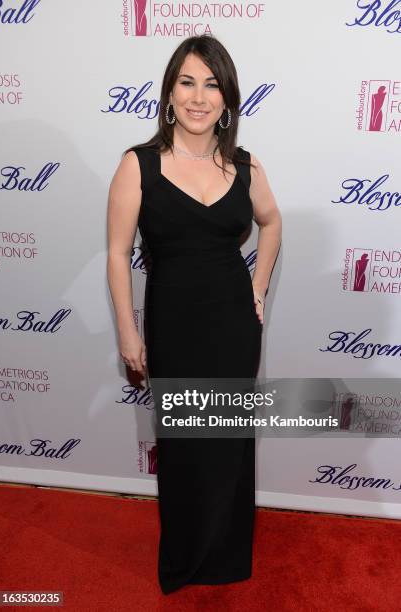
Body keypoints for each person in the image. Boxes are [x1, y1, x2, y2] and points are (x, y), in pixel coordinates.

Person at [107, 34, 282, 595]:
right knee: (183, 446)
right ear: (169, 93)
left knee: (230, 440)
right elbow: (116, 253)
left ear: (227, 99)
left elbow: (272, 223)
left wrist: (257, 287)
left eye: (211, 84)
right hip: (175, 323)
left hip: (233, 323)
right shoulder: (139, 166)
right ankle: (184, 561)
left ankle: (228, 557)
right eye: (187, 82)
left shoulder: (247, 167)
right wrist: (128, 333)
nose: (199, 97)